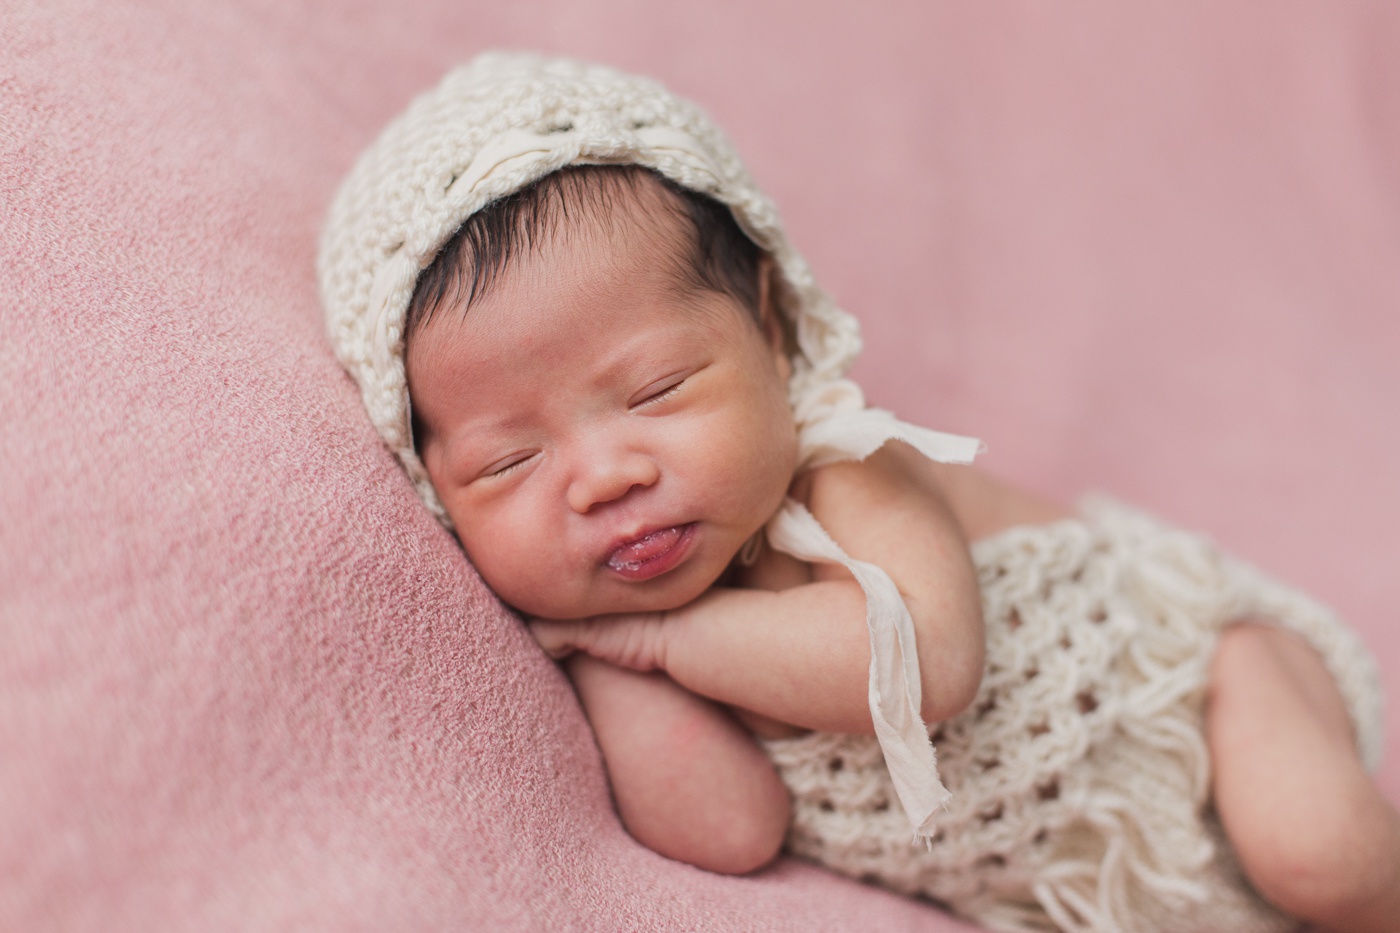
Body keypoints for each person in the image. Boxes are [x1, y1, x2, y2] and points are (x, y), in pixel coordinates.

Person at [318, 53, 1400, 933]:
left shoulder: (844, 467)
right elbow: (732, 828)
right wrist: (611, 661)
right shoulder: (621, 638)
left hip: (1196, 688)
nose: (605, 477)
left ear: (771, 325)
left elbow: (930, 663)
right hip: (1105, 878)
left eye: (656, 389)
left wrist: (661, 645)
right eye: (509, 461)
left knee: (1319, 850)